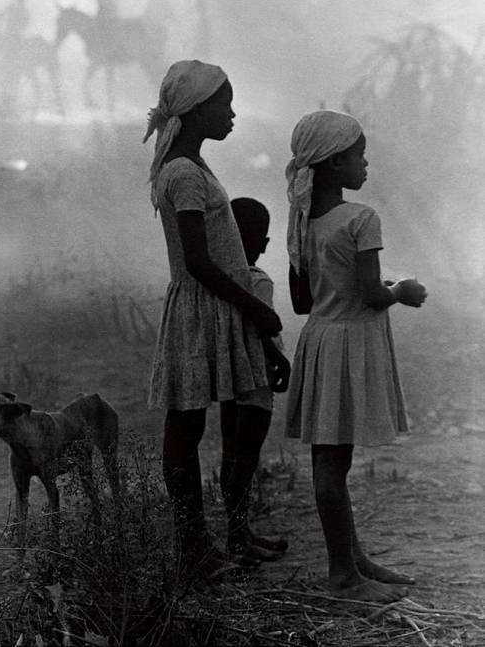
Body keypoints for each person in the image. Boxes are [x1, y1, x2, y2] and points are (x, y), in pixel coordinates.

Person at [143, 60, 290, 582]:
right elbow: (199, 261)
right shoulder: (183, 172)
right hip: (204, 305)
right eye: (224, 104)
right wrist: (254, 306)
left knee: (191, 424)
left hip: (214, 306)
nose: (231, 114)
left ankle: (203, 545)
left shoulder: (191, 167)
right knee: (185, 427)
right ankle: (193, 548)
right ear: (197, 109)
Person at [284, 109, 427, 604]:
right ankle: (343, 575)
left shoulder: (302, 223)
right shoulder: (361, 219)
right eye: (358, 155)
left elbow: (302, 301)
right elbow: (370, 294)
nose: (365, 164)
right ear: (332, 164)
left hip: (321, 340)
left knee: (330, 461)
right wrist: (402, 290)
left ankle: (352, 559)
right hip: (350, 344)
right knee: (332, 465)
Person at [222, 196, 290, 561]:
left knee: (232, 456)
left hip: (230, 380)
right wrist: (280, 361)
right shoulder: (258, 281)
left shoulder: (224, 280)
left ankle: (239, 533)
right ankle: (237, 539)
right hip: (256, 380)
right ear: (262, 242)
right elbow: (262, 331)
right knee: (246, 459)